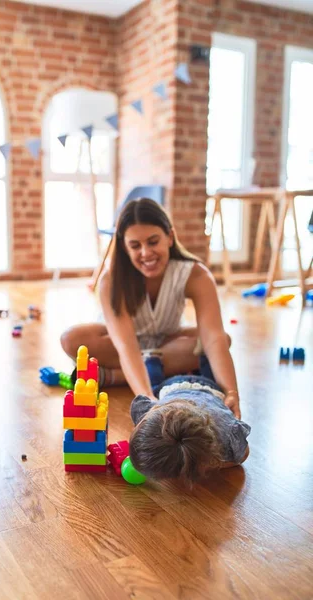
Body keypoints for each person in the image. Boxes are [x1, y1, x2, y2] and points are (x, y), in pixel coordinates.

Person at [61, 198, 241, 419]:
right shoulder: (111, 280)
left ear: (170, 237)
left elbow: (213, 337)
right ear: (125, 248)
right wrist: (147, 398)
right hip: (121, 347)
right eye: (135, 246)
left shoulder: (196, 274)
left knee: (222, 339)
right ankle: (151, 370)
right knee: (72, 339)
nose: (146, 253)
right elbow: (126, 347)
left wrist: (231, 392)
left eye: (153, 242)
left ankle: (116, 376)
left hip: (167, 342)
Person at [129, 355, 251, 484]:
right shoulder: (153, 409)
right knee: (154, 385)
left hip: (211, 388)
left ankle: (205, 359)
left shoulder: (224, 434)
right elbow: (243, 453)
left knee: (210, 374)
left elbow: (243, 454)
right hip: (173, 386)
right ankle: (153, 361)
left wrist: (208, 463)